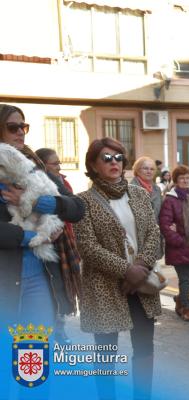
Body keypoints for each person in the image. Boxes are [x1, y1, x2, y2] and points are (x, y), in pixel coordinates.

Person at [0, 105, 85, 395]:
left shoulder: (36, 167)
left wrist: (38, 202)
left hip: (40, 278)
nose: (21, 132)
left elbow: (76, 207)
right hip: (4, 283)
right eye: (13, 127)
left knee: (33, 368)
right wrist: (32, 237)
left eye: (24, 126)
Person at [73, 137, 162, 399]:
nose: (114, 163)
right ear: (93, 164)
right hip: (104, 286)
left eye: (119, 157)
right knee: (105, 352)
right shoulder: (84, 202)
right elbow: (87, 247)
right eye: (106, 158)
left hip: (142, 282)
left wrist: (141, 267)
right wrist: (127, 270)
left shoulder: (138, 194)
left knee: (145, 346)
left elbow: (154, 234)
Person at [35, 147, 81, 345]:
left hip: (65, 240)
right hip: (46, 241)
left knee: (62, 286)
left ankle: (59, 329)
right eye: (55, 163)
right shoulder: (37, 184)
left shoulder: (63, 182)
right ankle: (49, 331)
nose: (59, 167)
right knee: (52, 288)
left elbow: (75, 208)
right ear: (43, 165)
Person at [159, 165, 189, 322]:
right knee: (185, 279)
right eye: (182, 178)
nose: (186, 181)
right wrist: (180, 241)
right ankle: (186, 310)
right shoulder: (170, 199)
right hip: (179, 247)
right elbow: (165, 225)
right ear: (176, 180)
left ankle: (180, 299)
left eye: (188, 178)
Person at [131, 156, 162, 220]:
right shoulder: (130, 189)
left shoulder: (157, 189)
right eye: (145, 168)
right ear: (137, 170)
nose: (149, 171)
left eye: (152, 169)